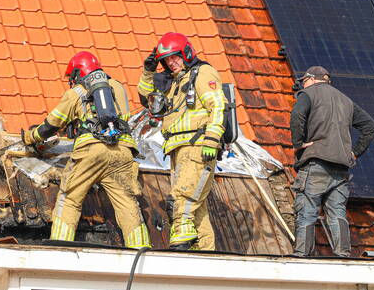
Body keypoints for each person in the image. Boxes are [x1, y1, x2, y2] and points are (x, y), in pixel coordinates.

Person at [22, 51, 151, 249]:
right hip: (122, 152)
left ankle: (60, 245)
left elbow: (51, 124)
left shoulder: (77, 92)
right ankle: (141, 248)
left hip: (91, 152)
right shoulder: (118, 87)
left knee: (70, 196)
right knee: (127, 202)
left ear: (76, 74)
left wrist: (31, 137)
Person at [137, 32, 226, 251]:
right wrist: (148, 72)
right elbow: (147, 99)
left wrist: (212, 140)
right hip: (177, 149)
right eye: (166, 60)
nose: (171, 62)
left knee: (181, 198)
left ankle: (181, 242)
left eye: (175, 57)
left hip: (198, 146)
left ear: (186, 53)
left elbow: (218, 106)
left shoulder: (203, 73)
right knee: (197, 208)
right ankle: (204, 253)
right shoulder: (174, 82)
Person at [289, 66, 374, 257]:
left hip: (316, 162)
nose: (302, 85)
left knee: (307, 208)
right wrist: (354, 153)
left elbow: (297, 115)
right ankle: (343, 254)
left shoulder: (308, 93)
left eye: (304, 81)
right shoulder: (346, 100)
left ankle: (301, 255)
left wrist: (298, 144)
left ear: (311, 79)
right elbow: (370, 126)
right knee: (337, 212)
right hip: (341, 168)